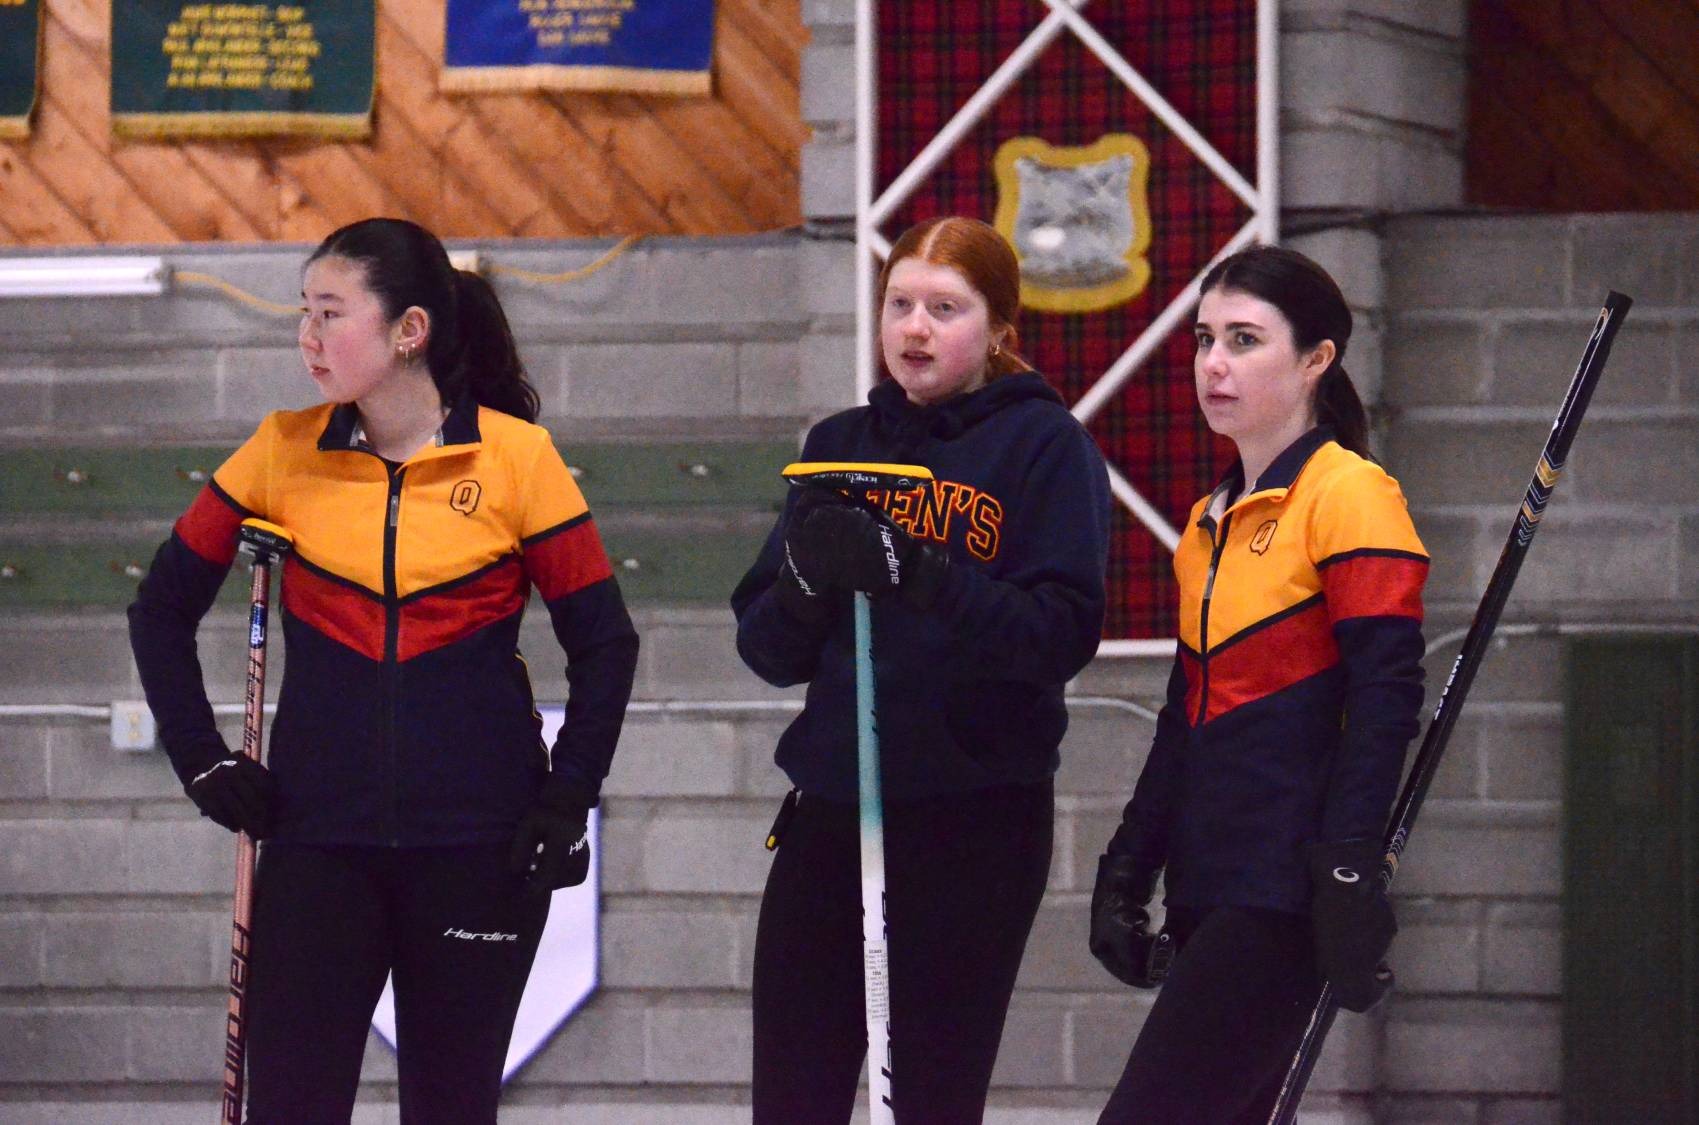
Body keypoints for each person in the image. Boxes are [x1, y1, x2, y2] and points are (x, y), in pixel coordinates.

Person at [127, 217, 639, 1123]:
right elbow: (159, 608)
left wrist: (566, 797)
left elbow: (605, 642)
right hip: (318, 847)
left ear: (409, 331)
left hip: (480, 849)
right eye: (303, 313)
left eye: (331, 313)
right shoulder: (281, 450)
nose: (307, 337)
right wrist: (200, 758)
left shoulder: (518, 459)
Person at [731, 215, 1111, 1122]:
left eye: (945, 308)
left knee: (930, 1101)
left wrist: (924, 575)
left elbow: (1058, 634)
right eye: (899, 304)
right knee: (792, 1094)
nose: (913, 328)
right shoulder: (834, 444)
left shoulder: (1045, 448)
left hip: (971, 824)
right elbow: (766, 648)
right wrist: (806, 581)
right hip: (833, 812)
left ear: (998, 328)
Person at [1088, 245, 1429, 1123]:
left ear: (1316, 359)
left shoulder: (1350, 494)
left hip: (1281, 889)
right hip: (1207, 882)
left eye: (1244, 339)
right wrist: (1127, 867)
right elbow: (1183, 717)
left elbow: (1385, 696)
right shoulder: (1206, 524)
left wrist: (1348, 866)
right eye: (1205, 338)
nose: (1214, 363)